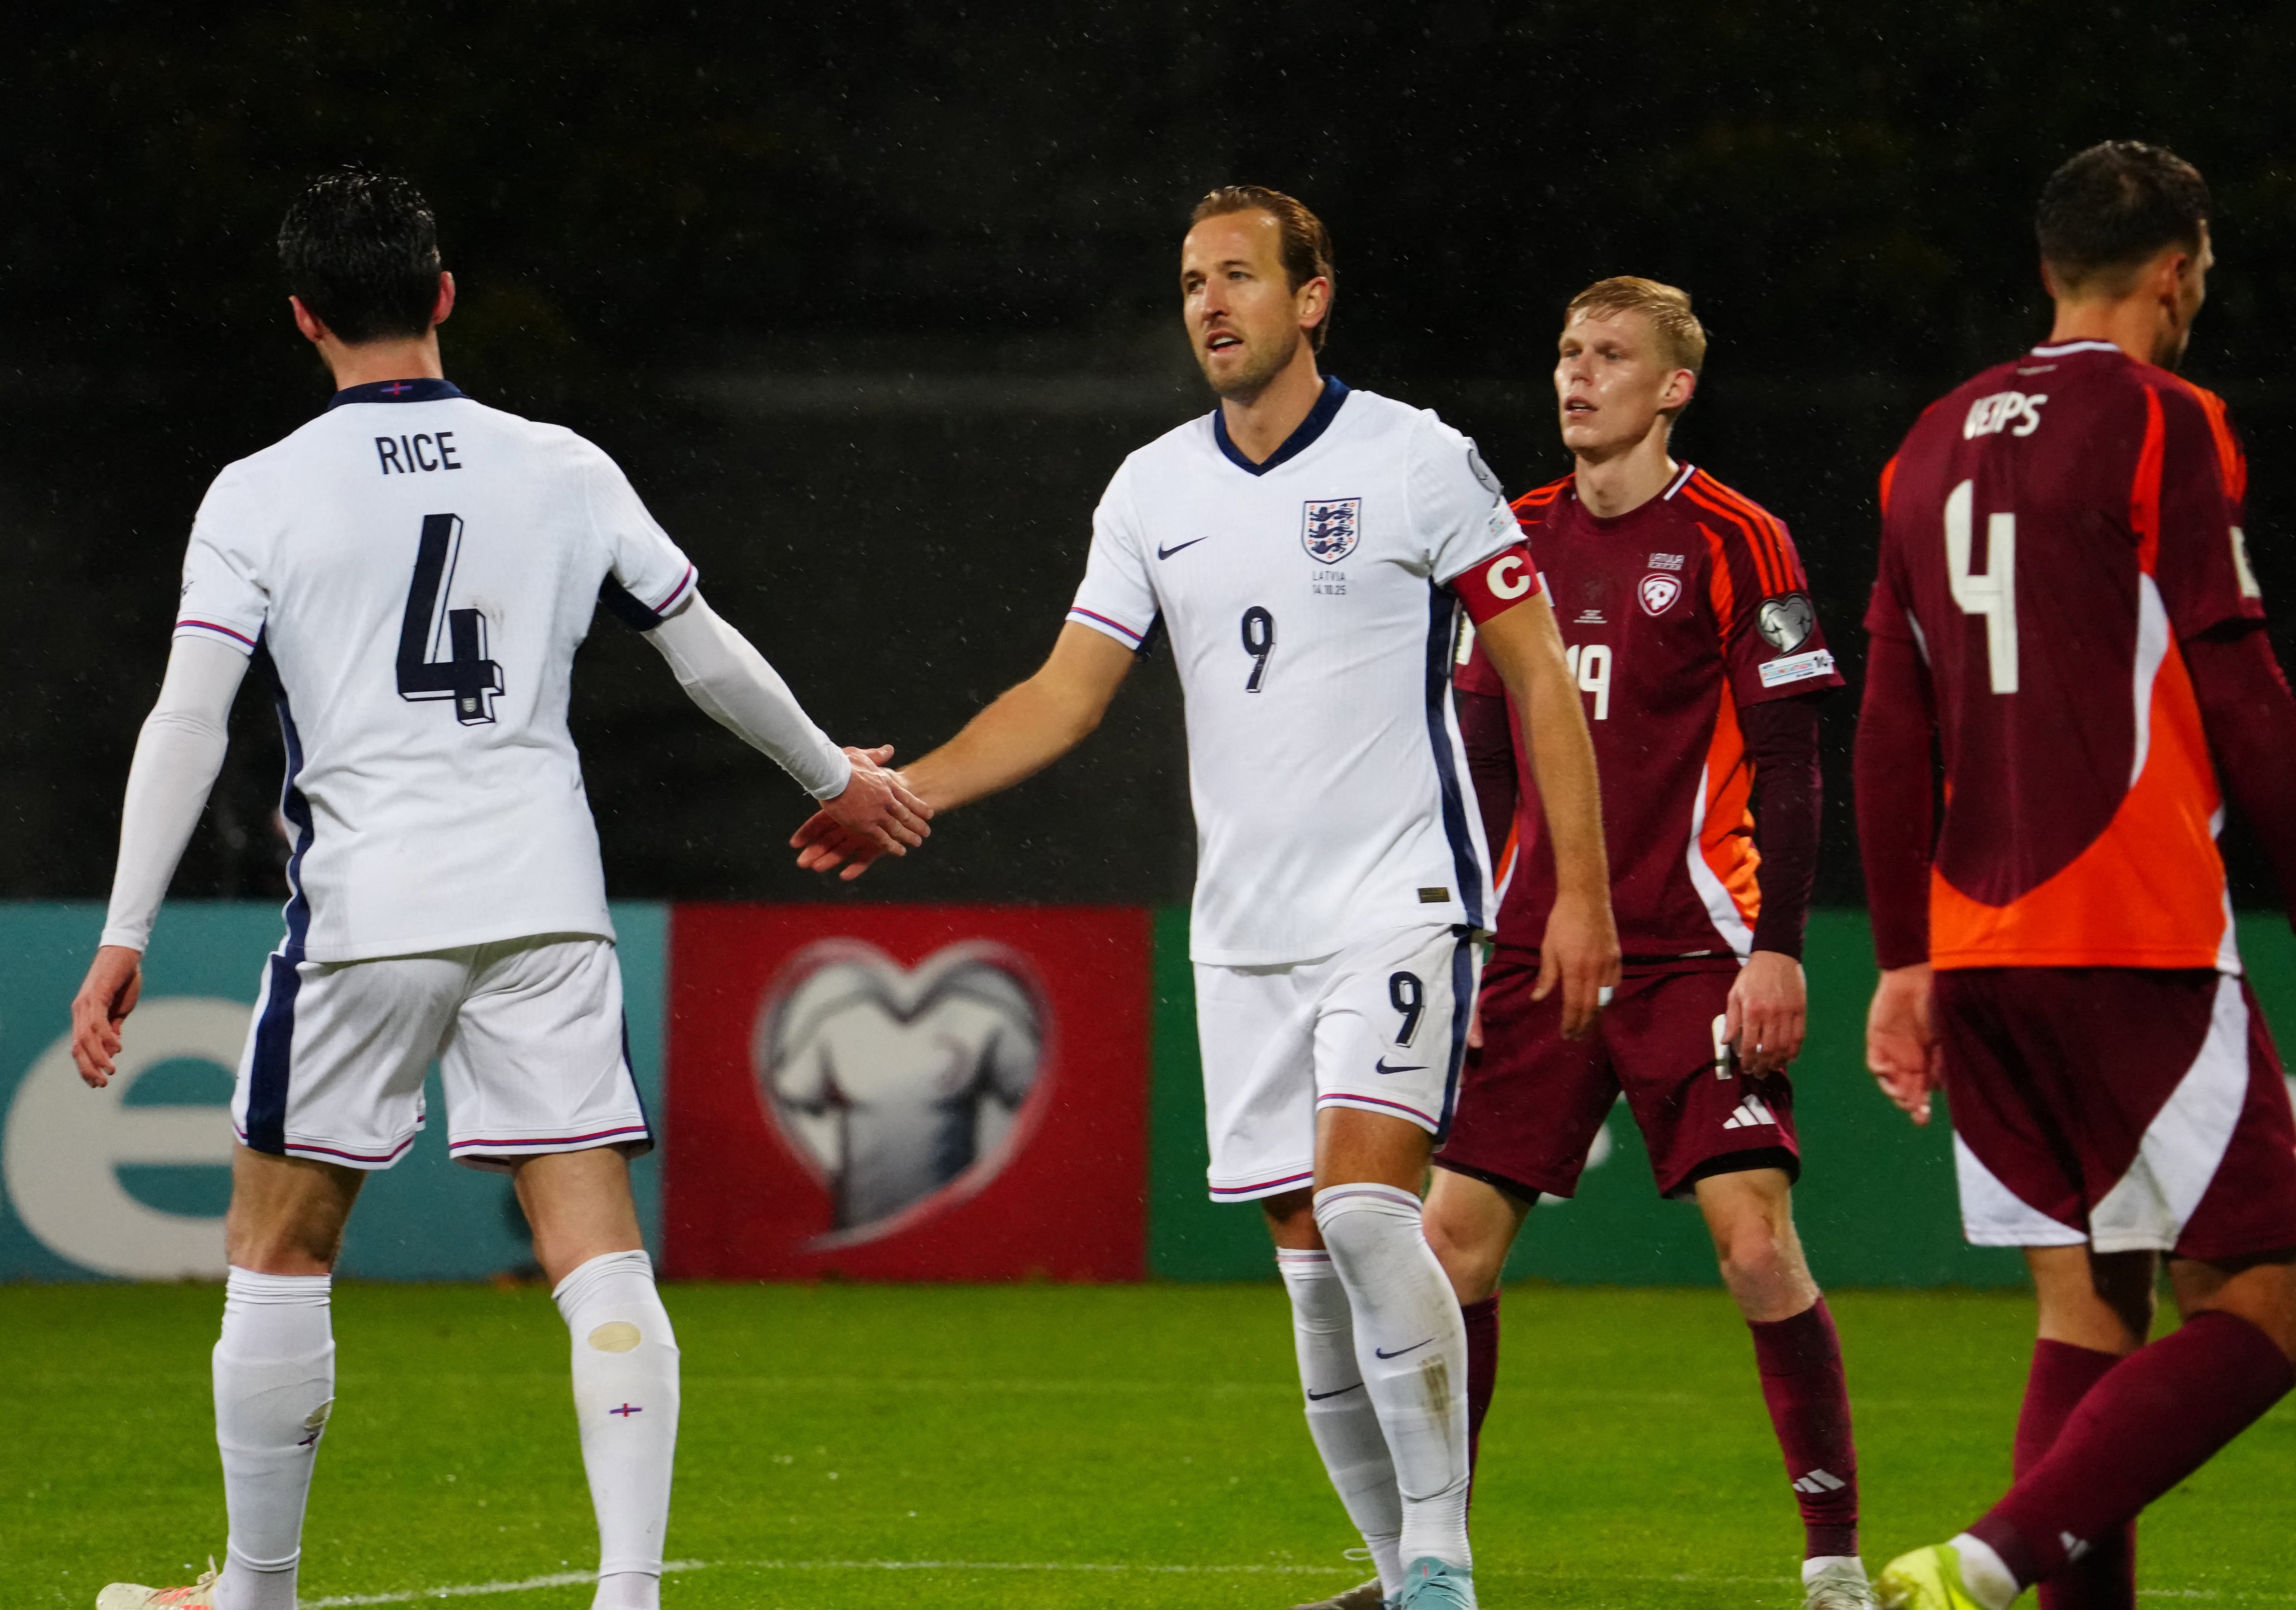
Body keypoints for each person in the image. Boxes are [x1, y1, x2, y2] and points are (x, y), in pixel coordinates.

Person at [71, 168, 929, 1610]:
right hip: (544, 896)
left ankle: (258, 1596)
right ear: (445, 294)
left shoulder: (260, 492)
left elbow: (189, 719)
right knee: (594, 1245)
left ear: (304, 317)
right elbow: (703, 649)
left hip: (368, 908)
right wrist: (827, 773)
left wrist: (125, 929)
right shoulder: (561, 467)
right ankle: (632, 1591)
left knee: (279, 1247)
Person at [794, 185, 1618, 1610]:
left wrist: (1581, 892)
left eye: (1239, 276)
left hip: (1399, 894)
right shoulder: (1151, 490)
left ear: (1313, 298)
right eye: (1191, 283)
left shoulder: (1417, 459)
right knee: (1305, 1263)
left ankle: (1443, 1564)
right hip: (1241, 933)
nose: (1210, 304)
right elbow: (1065, 696)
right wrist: (904, 792)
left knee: (1368, 1215)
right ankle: (1394, 1578)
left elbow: (1540, 671)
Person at [1856, 142, 2296, 1610]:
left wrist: (1903, 960)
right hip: (2135, 933)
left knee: (2089, 1321)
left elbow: (1891, 723)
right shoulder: (2166, 418)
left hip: (1978, 944)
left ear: (2046, 266)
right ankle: (1990, 1560)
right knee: (2265, 1316)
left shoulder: (1928, 440)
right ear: (2178, 269)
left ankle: (2006, 1565)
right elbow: (2243, 682)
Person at [1419, 276, 1870, 1610]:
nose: (1578, 375)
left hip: (1695, 957)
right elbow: (1477, 755)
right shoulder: (1510, 538)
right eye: (1567, 351)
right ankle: (1427, 1565)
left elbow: (1791, 761)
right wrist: (1468, 938)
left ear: (1674, 388)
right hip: (1533, 955)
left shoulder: (1741, 537)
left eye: (1611, 356)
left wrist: (1777, 951)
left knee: (1755, 1246)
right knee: (1447, 1254)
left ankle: (1833, 1561)